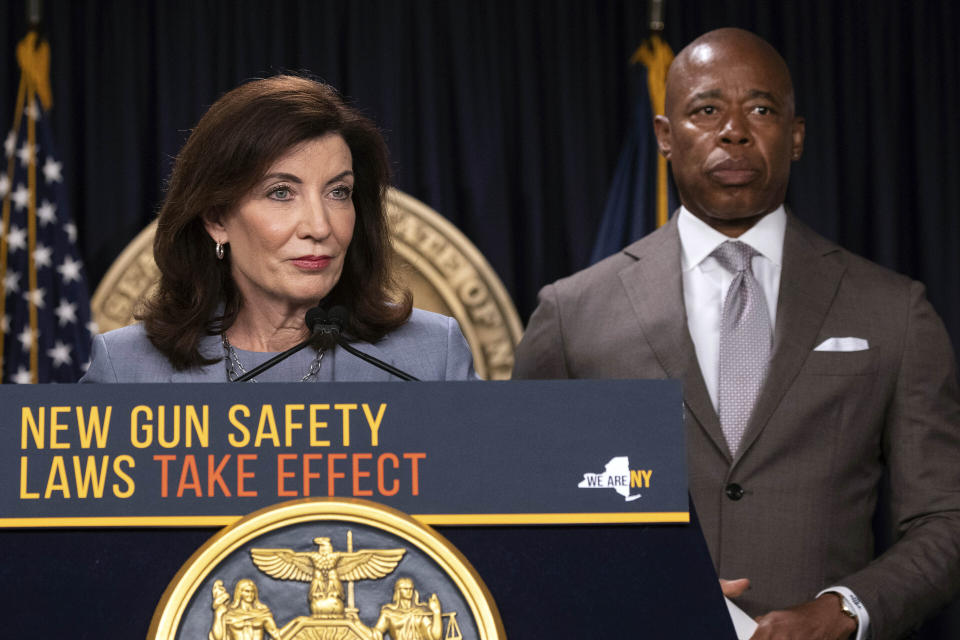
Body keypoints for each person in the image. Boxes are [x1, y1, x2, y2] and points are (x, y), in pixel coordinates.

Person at [513, 28, 960, 640]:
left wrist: (845, 610)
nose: (734, 130)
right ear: (666, 137)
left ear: (795, 136)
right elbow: (521, 518)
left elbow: (946, 519)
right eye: (705, 110)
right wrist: (621, 588)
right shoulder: (572, 312)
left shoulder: (894, 310)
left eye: (760, 109)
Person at [80, 75, 474, 383]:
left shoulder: (430, 356)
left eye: (338, 192)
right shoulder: (126, 368)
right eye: (281, 192)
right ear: (217, 219)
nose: (320, 226)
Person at [372, 577, 443, 640]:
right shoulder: (388, 613)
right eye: (405, 589)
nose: (409, 591)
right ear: (398, 591)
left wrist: (436, 612)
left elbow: (435, 637)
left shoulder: (420, 612)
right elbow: (375, 633)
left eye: (411, 589)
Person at [209, 578, 281, 640]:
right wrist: (218, 614)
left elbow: (275, 634)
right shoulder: (230, 615)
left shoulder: (263, 614)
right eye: (247, 591)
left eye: (252, 591)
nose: (250, 594)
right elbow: (218, 638)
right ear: (239, 592)